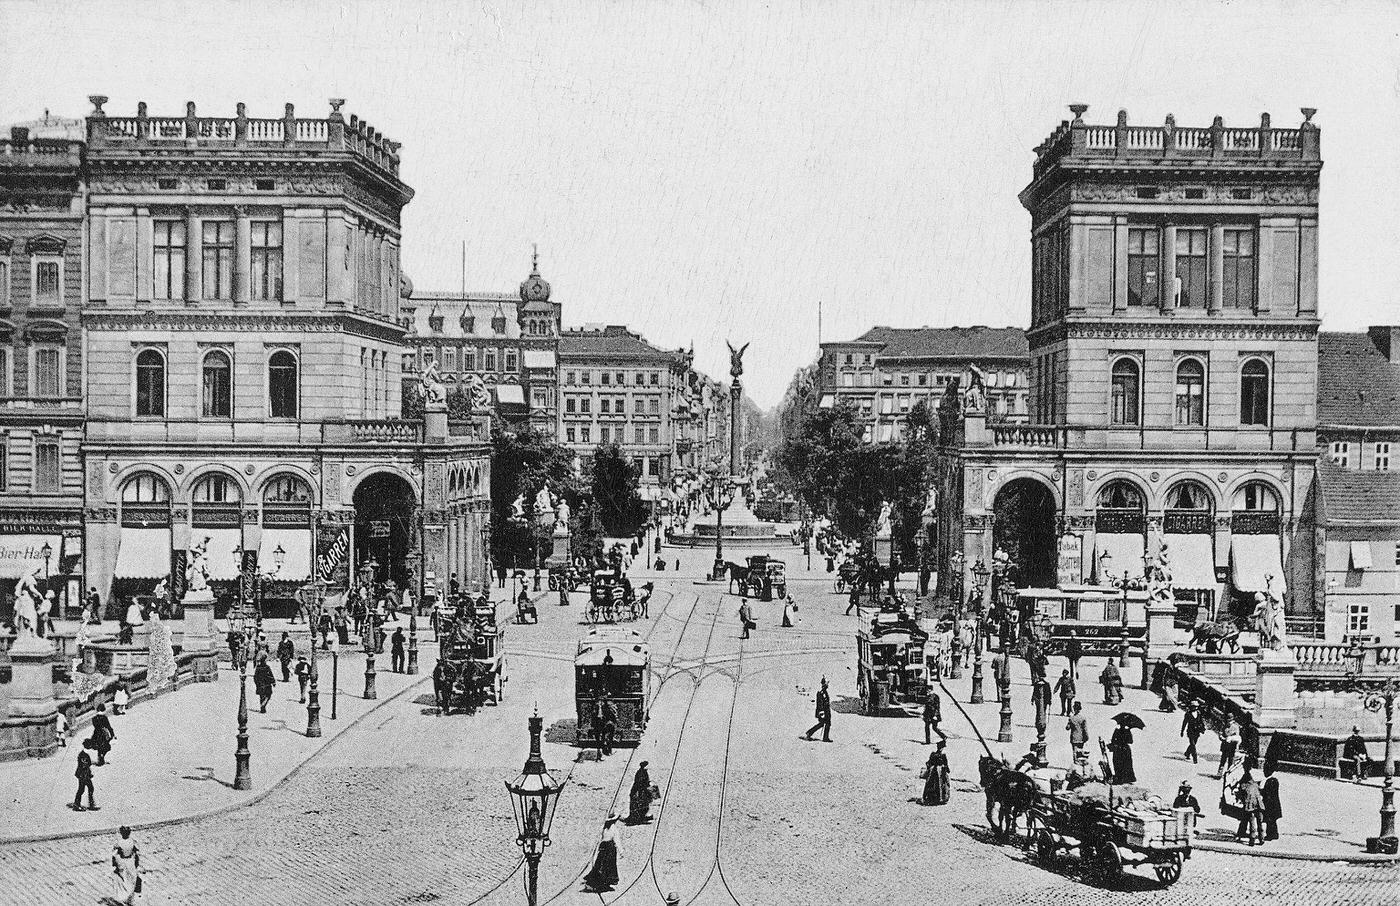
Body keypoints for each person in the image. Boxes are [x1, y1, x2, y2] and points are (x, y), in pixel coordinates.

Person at [582, 815, 621, 892]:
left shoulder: (604, 827)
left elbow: (599, 837)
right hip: (610, 848)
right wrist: (621, 851)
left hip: (604, 847)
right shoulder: (613, 828)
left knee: (601, 864)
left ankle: (600, 882)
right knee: (607, 865)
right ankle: (602, 883)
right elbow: (617, 839)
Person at [110, 825, 141, 904]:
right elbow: (137, 854)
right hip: (130, 861)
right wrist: (137, 863)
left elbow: (114, 855)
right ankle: (129, 896)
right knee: (131, 878)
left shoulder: (119, 842)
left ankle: (123, 896)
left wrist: (114, 864)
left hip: (122, 862)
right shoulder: (132, 841)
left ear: (121, 833)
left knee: (123, 879)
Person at [1236, 769, 1265, 846]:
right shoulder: (1255, 784)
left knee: (1252, 822)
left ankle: (1252, 839)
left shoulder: (1244, 786)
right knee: (1260, 822)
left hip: (1250, 806)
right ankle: (1261, 838)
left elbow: (1240, 794)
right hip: (1259, 805)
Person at [921, 741, 951, 806]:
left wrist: (930, 768)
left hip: (933, 771)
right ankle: (941, 798)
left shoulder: (933, 754)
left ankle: (931, 798)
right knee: (941, 783)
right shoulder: (943, 755)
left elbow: (928, 763)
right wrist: (947, 770)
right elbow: (946, 765)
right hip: (940, 772)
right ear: (942, 748)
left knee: (931, 783)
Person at [1108, 718, 1136, 783]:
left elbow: (1113, 740)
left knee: (1117, 763)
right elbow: (1131, 741)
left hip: (1118, 749)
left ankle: (1119, 777)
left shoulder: (1116, 731)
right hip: (1126, 749)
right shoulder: (1128, 731)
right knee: (1127, 763)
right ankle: (1127, 777)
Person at [73, 740, 98, 811]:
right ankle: (78, 805)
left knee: (89, 788)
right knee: (82, 789)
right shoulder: (84, 755)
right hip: (83, 775)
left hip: (84, 774)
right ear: (88, 746)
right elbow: (85, 765)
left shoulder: (84, 754)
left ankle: (89, 804)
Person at [804, 677, 832, 742]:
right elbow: (820, 703)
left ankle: (824, 737)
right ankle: (810, 733)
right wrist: (821, 712)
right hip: (823, 711)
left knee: (826, 723)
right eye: (826, 684)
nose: (827, 685)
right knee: (823, 723)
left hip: (826, 711)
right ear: (824, 684)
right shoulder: (821, 693)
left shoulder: (824, 692)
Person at [1262, 766, 1282, 841]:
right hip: (1275, 804)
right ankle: (1275, 834)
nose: (1264, 772)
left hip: (1270, 804)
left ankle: (1270, 835)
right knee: (1273, 820)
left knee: (1269, 821)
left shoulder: (1269, 781)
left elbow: (1267, 793)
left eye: (1265, 771)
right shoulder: (1274, 780)